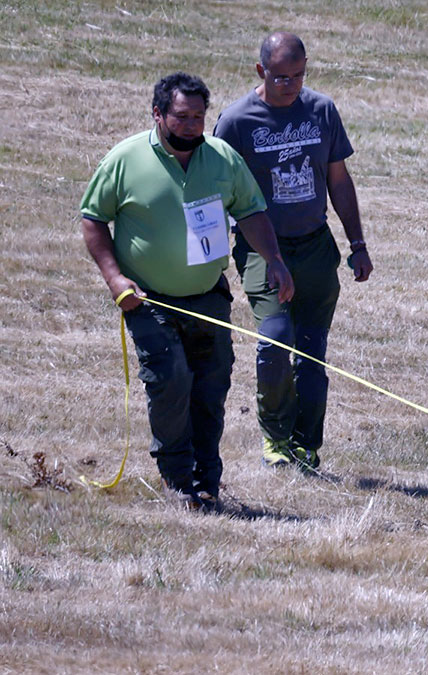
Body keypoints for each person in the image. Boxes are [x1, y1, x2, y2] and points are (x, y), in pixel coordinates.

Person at [81, 72, 295, 510]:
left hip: (208, 296)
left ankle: (206, 480)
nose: (192, 125)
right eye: (181, 116)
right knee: (171, 380)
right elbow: (93, 218)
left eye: (199, 116)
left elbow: (252, 211)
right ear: (157, 113)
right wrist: (115, 279)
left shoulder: (221, 159)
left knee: (211, 387)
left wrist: (274, 259)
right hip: (149, 299)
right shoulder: (125, 160)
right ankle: (178, 480)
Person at [214, 32, 373, 471]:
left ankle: (306, 443)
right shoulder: (236, 122)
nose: (291, 84)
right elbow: (218, 192)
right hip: (263, 249)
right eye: (281, 77)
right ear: (261, 71)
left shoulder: (321, 110)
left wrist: (356, 244)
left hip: (316, 246)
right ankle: (275, 436)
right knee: (275, 338)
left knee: (311, 351)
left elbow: (338, 180)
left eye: (299, 75)